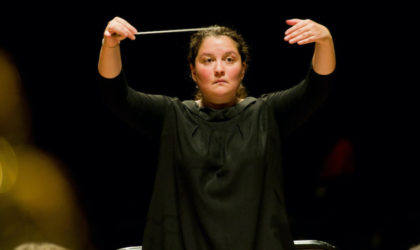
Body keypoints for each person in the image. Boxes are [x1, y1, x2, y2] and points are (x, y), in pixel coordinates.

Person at [98, 16, 335, 250]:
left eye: (229, 60)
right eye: (208, 60)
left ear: (243, 70)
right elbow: (116, 94)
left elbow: (317, 86)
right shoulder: (172, 116)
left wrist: (325, 40)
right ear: (193, 71)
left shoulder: (266, 113)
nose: (219, 69)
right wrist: (109, 45)